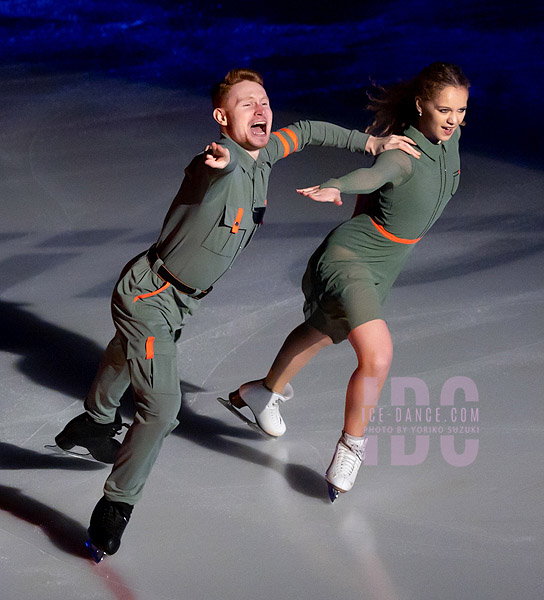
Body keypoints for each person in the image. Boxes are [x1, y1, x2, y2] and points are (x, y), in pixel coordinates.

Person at [53, 68, 419, 560]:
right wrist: (218, 159)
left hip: (178, 299)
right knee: (160, 409)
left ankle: (94, 421)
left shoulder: (264, 153)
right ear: (222, 118)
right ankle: (115, 508)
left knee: (131, 351)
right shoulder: (216, 162)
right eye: (246, 104)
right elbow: (212, 168)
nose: (261, 109)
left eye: (264, 101)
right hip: (150, 296)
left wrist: (370, 144)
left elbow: (308, 131)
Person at [227, 62, 470, 502]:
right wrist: (337, 184)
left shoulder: (448, 142)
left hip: (386, 264)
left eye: (461, 111)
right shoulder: (404, 153)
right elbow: (373, 175)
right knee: (377, 355)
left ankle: (263, 393)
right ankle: (351, 448)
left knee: (322, 331)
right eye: (444, 110)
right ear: (421, 106)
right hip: (351, 257)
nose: (453, 120)